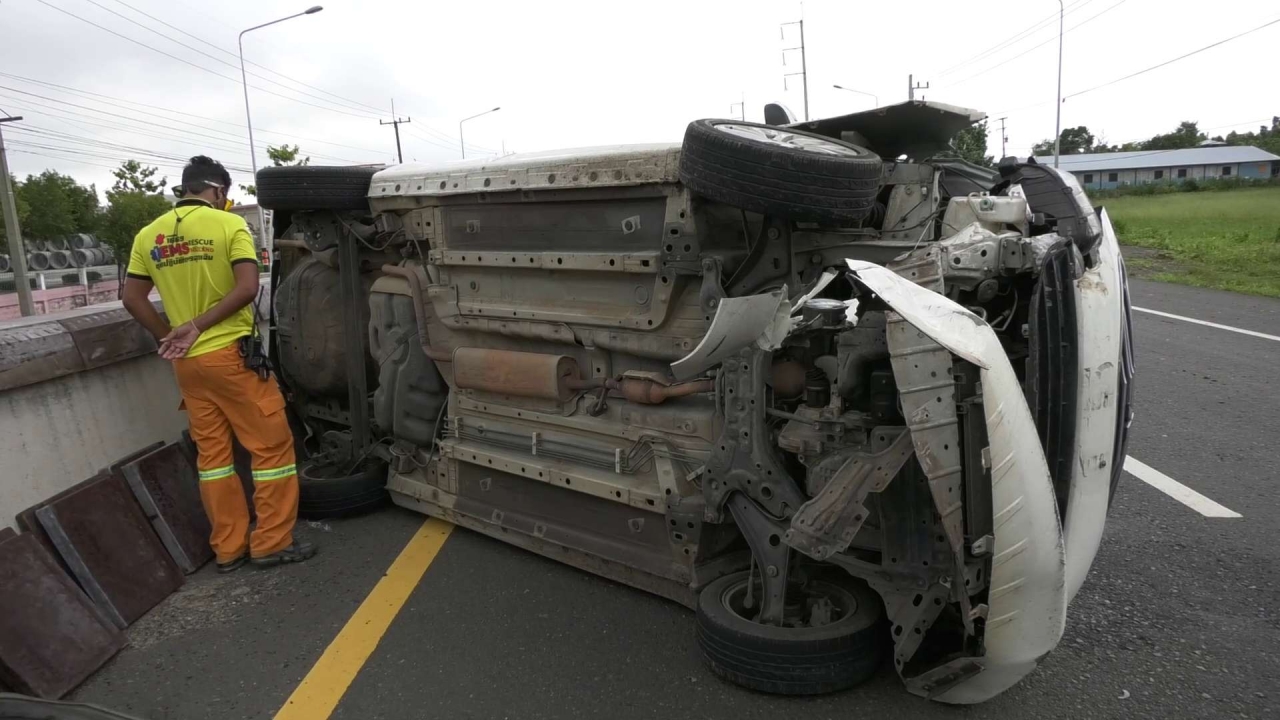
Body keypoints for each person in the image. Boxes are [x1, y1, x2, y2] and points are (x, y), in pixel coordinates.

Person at [121, 155, 316, 573]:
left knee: (213, 459)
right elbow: (247, 289)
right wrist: (195, 326)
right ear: (220, 192)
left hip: (188, 366)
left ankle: (228, 549)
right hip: (231, 356)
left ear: (185, 188)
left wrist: (170, 336)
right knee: (272, 449)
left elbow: (132, 298)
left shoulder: (147, 235)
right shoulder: (230, 225)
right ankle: (270, 542)